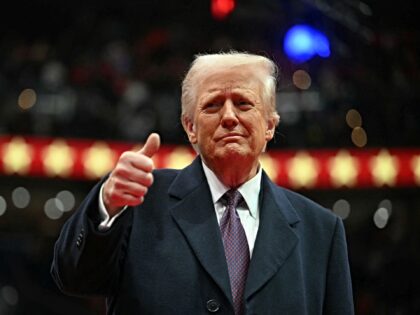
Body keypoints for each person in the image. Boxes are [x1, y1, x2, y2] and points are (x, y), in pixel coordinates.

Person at [51, 51, 354, 314]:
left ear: (270, 125)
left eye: (244, 103)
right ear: (190, 127)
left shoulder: (322, 231)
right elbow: (74, 278)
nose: (229, 117)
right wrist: (107, 205)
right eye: (212, 106)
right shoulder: (138, 200)